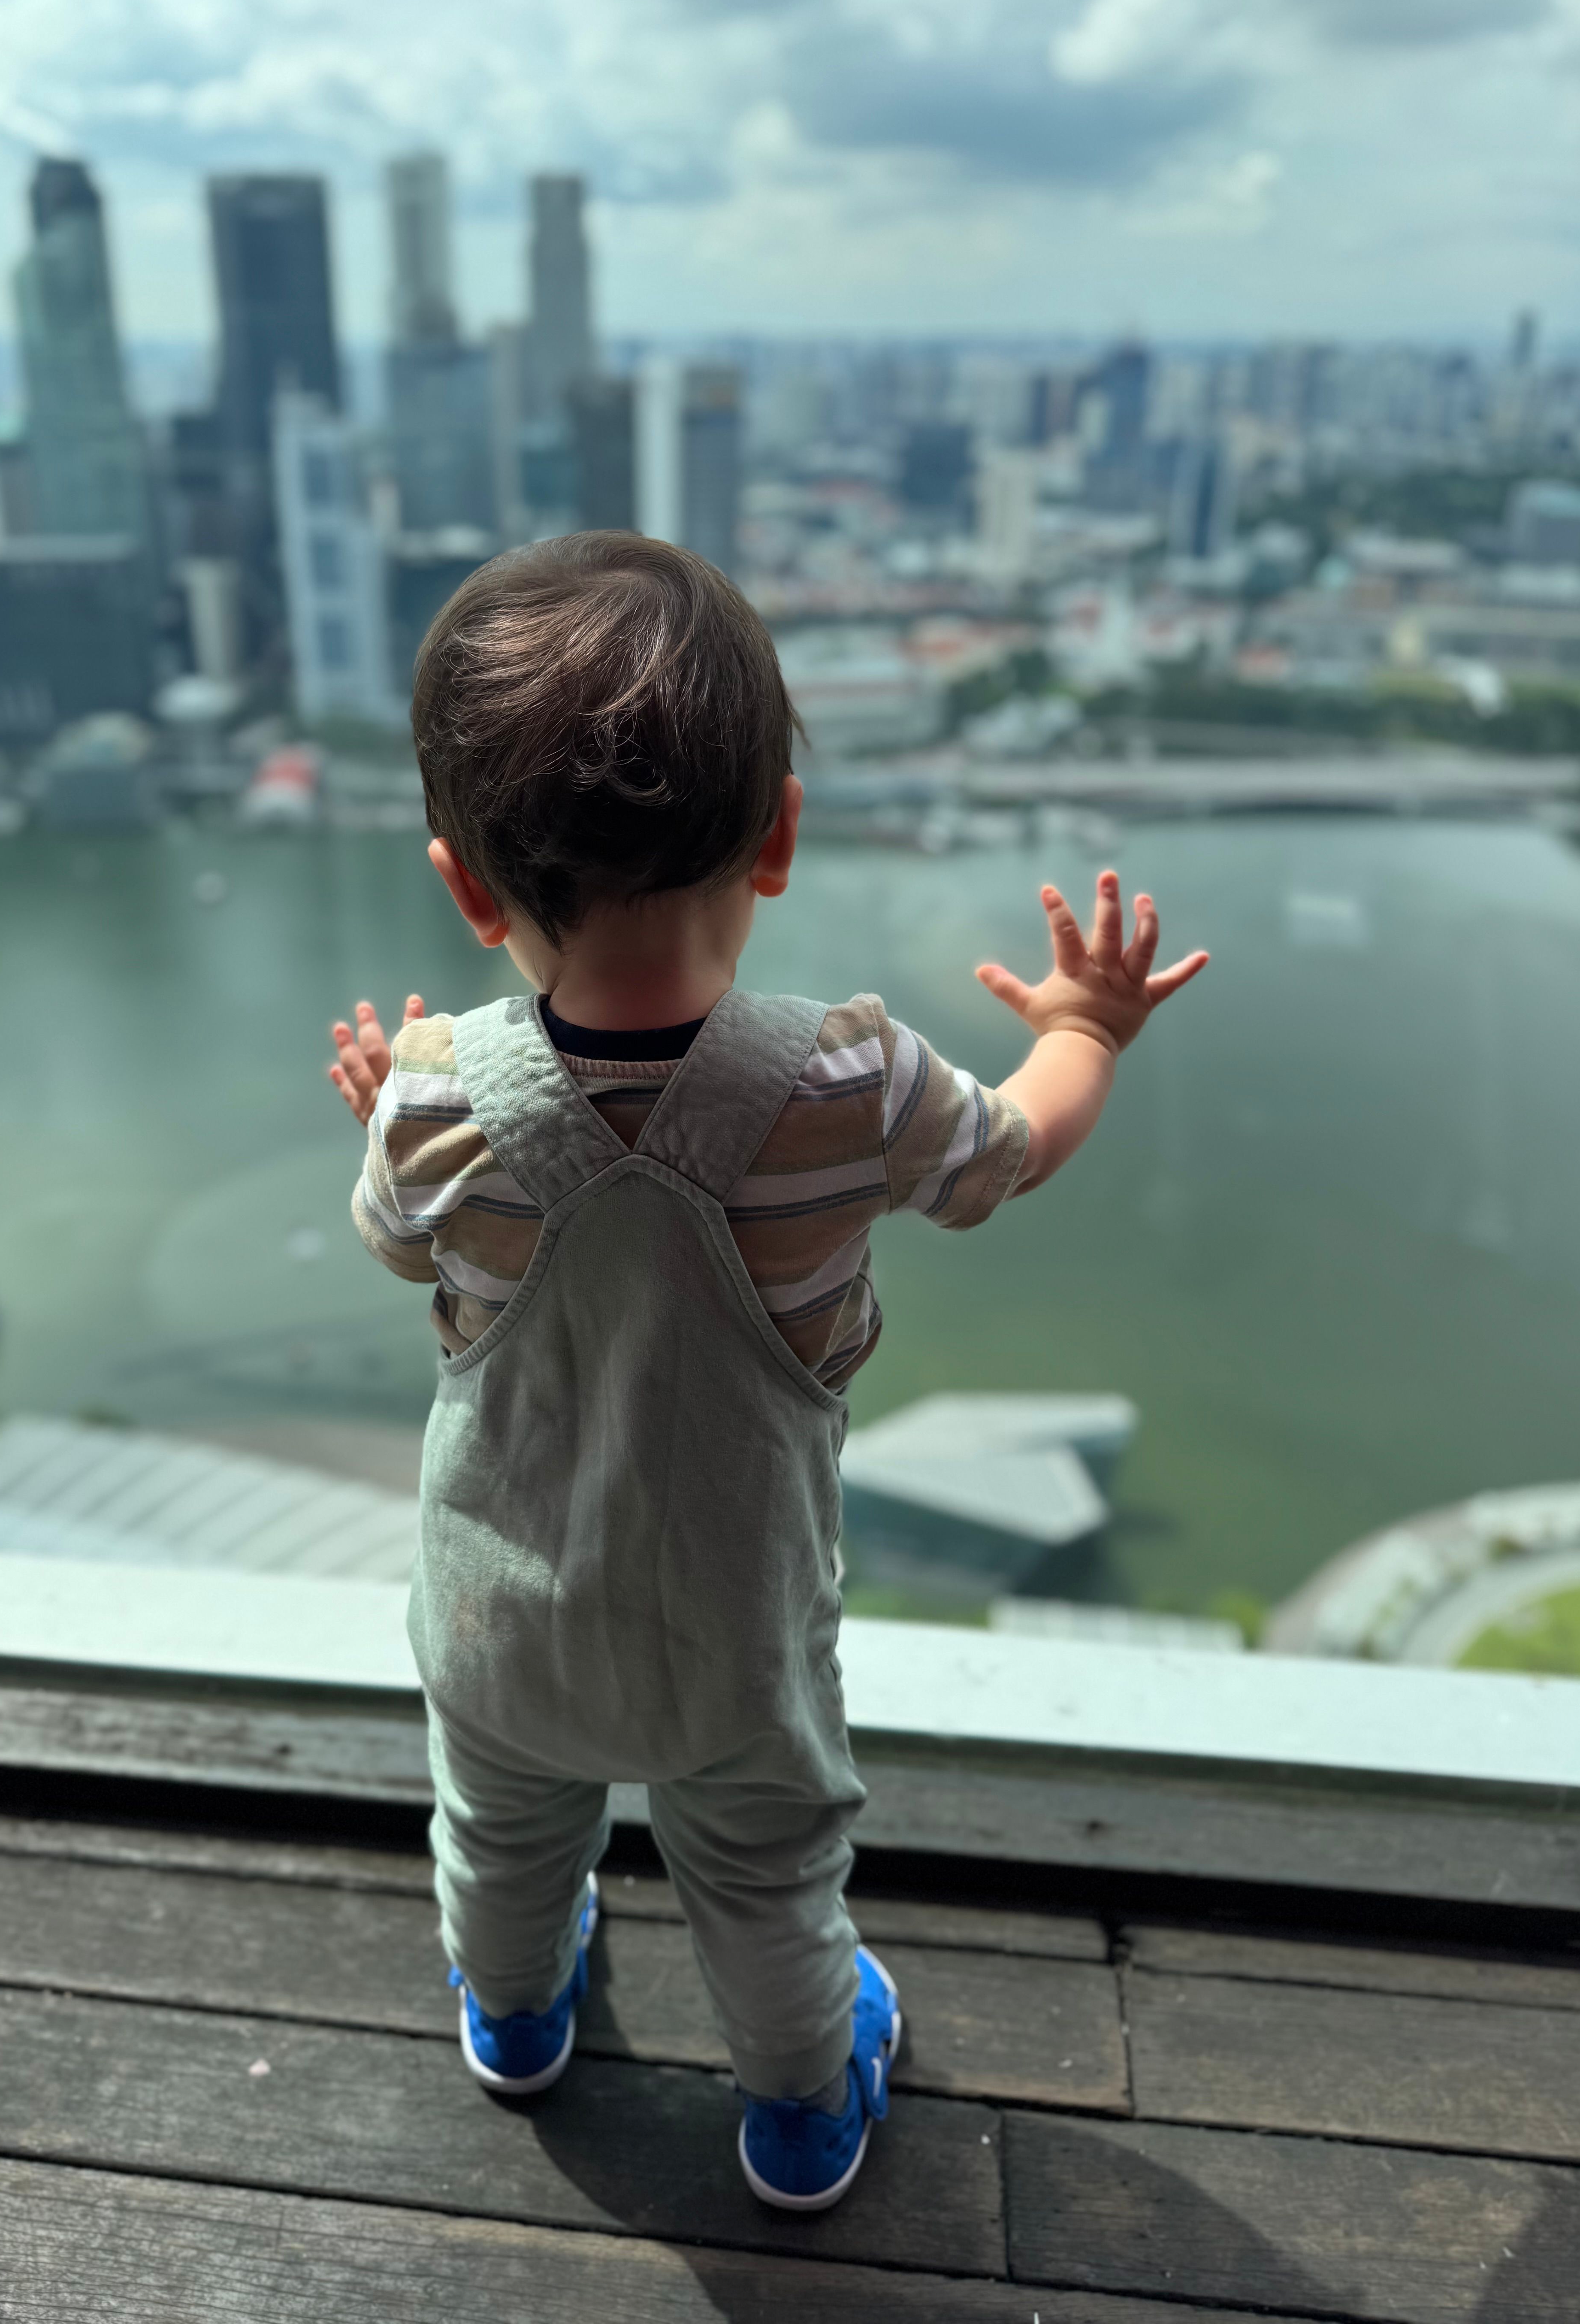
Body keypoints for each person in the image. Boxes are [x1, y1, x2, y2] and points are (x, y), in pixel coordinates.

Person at [326, 531, 1207, 2211]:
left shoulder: (431, 1097)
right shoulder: (848, 1084)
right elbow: (1012, 1152)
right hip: (735, 1635)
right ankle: (801, 2113)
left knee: (501, 1838)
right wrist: (1086, 1029)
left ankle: (515, 2018)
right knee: (768, 1885)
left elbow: (395, 1244)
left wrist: (390, 1110)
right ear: (781, 836)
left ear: (467, 888)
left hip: (502, 1620)